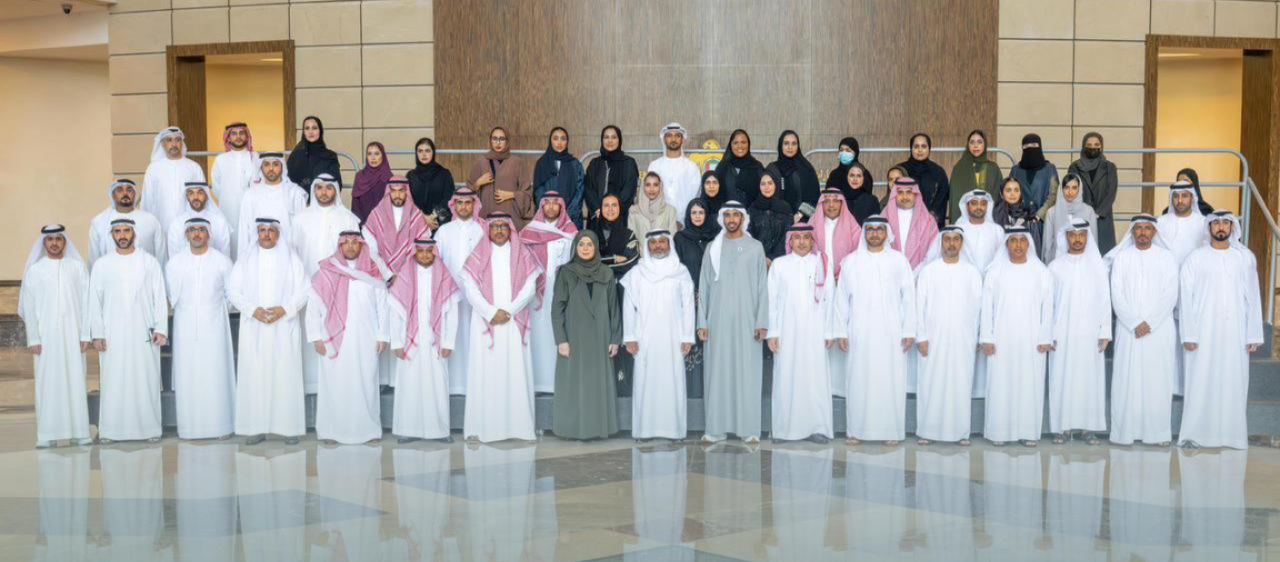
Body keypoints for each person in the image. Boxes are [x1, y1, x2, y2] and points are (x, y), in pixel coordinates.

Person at [1179, 212, 1263, 450]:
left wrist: (1254, 334)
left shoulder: (1245, 258)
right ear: (1209, 228)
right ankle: (1195, 434)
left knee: (1233, 382)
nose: (1221, 227)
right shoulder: (1195, 258)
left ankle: (1232, 437)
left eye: (1226, 222)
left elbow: (1253, 297)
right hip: (1202, 332)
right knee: (1200, 380)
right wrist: (1189, 333)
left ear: (1233, 227)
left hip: (1236, 331)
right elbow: (1185, 298)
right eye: (1216, 223)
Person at [459, 212, 543, 443]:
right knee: (487, 374)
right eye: (495, 227)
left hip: (514, 322)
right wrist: (490, 312)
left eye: (503, 227)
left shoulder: (522, 254)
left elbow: (530, 288)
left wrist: (509, 311)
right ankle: (486, 428)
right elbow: (470, 289)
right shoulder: (477, 255)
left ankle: (519, 428)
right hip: (486, 324)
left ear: (510, 230)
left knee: (515, 372)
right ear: (488, 229)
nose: (498, 231)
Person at [832, 216, 916, 445]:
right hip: (860, 331)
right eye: (870, 229)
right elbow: (841, 300)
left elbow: (909, 298)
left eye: (880, 229)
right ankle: (857, 431)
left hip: (892, 333)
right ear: (865, 233)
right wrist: (841, 332)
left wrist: (909, 330)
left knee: (890, 381)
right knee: (859, 380)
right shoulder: (851, 262)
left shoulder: (899, 261)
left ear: (886, 233)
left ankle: (891, 432)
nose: (875, 234)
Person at [86, 218, 168, 443]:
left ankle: (150, 430)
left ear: (134, 233)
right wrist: (97, 334)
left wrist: (161, 328)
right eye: (118, 232)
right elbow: (94, 302)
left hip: (144, 332)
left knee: (145, 380)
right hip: (112, 335)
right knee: (114, 381)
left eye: (126, 231)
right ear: (112, 235)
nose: (122, 236)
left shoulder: (149, 262)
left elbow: (160, 297)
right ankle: (111, 432)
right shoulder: (102, 265)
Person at [228, 218, 309, 445]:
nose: (266, 234)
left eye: (270, 230)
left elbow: (305, 289)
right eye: (262, 230)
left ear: (278, 234)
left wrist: (285, 309)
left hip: (284, 326)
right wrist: (253, 310)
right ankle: (255, 428)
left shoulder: (292, 259)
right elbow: (233, 290)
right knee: (254, 376)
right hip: (254, 326)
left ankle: (289, 428)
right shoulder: (245, 260)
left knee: (285, 375)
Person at [307, 232, 390, 445]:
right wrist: (316, 336)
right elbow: (313, 306)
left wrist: (383, 336)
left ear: (361, 246)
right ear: (339, 246)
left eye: (355, 243)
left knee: (366, 382)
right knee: (334, 383)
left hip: (366, 337)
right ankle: (331, 432)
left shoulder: (373, 272)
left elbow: (383, 307)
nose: (351, 247)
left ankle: (368, 431)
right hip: (333, 339)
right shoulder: (326, 272)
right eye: (346, 243)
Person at [697, 201, 769, 444]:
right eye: (727, 215)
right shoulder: (712, 248)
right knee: (717, 374)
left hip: (748, 322)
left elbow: (763, 286)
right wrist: (702, 322)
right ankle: (715, 429)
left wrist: (762, 321)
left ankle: (748, 429)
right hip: (716, 321)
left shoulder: (755, 247)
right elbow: (703, 286)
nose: (731, 219)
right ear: (721, 219)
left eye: (735, 215)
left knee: (747, 374)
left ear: (743, 218)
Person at [1107, 214, 1179, 447]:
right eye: (1138, 229)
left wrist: (1150, 322)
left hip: (1159, 330)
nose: (1143, 233)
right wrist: (1134, 322)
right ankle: (1124, 433)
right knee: (1126, 381)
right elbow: (1116, 293)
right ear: (1132, 232)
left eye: (1147, 228)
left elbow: (1171, 294)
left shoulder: (1166, 258)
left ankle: (1157, 434)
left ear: (1154, 232)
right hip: (1129, 330)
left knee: (1157, 381)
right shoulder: (1122, 258)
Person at [980, 225, 1054, 447]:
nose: (1018, 245)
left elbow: (1048, 307)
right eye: (1014, 240)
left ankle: (1027, 432)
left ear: (1028, 243)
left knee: (1029, 385)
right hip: (1001, 339)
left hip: (1032, 340)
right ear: (1007, 244)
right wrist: (986, 338)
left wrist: (1045, 337)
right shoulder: (994, 272)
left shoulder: (1041, 272)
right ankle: (999, 432)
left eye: (1022, 240)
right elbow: (987, 308)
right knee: (1000, 385)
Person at [19, 225, 91, 448]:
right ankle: (47, 434)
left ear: (65, 242)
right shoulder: (35, 271)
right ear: (44, 243)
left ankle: (80, 432)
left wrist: (85, 334)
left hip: (74, 335)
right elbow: (29, 307)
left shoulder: (78, 268)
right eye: (50, 240)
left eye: (58, 239)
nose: (54, 243)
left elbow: (87, 303)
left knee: (76, 381)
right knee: (47, 383)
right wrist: (33, 338)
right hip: (45, 338)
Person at [166, 217, 235, 440]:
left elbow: (232, 296)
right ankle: (189, 429)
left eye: (201, 230)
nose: (197, 234)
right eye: (192, 230)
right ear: (186, 235)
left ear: (209, 234)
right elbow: (171, 297)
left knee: (215, 375)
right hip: (185, 329)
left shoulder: (223, 262)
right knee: (188, 377)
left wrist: (213, 312)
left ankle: (221, 427)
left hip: (215, 329)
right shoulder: (174, 263)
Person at [622, 230, 695, 441]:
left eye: (663, 242)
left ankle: (674, 431)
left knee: (672, 382)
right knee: (645, 382)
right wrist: (630, 336)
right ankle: (644, 431)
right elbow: (628, 306)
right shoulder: (637, 272)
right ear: (647, 246)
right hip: (644, 336)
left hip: (674, 337)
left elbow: (688, 306)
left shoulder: (681, 271)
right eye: (653, 243)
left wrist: (687, 337)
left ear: (669, 244)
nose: (658, 246)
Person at [291, 174, 360, 393]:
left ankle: (335, 387)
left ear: (336, 191)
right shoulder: (300, 219)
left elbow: (355, 254)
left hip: (339, 287)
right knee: (310, 332)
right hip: (307, 285)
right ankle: (310, 385)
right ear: (314, 190)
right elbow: (293, 255)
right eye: (319, 187)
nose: (324, 192)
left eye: (329, 188)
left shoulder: (348, 219)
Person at [550, 231, 622, 440]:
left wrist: (615, 339)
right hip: (574, 338)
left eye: (590, 244)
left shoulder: (606, 273)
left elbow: (614, 308)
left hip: (601, 337)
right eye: (581, 244)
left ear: (596, 247)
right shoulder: (566, 272)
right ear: (575, 247)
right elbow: (557, 309)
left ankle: (598, 428)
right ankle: (571, 429)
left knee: (596, 384)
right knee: (574, 384)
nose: (585, 248)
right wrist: (561, 340)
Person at [914, 227, 982, 446]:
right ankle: (927, 431)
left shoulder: (972, 272)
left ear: (961, 243)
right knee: (930, 383)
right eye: (947, 240)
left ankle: (960, 433)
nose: (951, 244)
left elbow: (978, 308)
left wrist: (977, 336)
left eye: (955, 240)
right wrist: (921, 337)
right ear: (941, 243)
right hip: (932, 339)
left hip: (964, 339)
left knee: (960, 384)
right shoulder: (928, 272)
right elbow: (919, 306)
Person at [1046, 219, 1111, 445]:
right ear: (1066, 237)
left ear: (1087, 237)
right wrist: (1049, 333)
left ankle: (1088, 429)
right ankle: (1061, 428)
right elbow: (1048, 304)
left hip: (1090, 333)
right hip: (1061, 333)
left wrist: (1105, 331)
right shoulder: (1055, 267)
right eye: (1073, 235)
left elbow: (1105, 300)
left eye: (1082, 235)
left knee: (1089, 381)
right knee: (1060, 379)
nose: (1077, 239)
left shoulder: (1098, 266)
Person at [767, 224, 833, 443]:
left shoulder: (822, 263)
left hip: (816, 331)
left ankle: (818, 428)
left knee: (815, 379)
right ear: (790, 241)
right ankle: (784, 430)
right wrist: (773, 332)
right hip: (787, 332)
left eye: (806, 237)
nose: (802, 242)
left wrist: (829, 331)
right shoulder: (779, 265)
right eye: (797, 237)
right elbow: (772, 300)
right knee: (786, 376)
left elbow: (830, 299)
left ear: (813, 240)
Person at [389, 239, 460, 443]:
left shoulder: (444, 276)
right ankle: (407, 430)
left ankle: (440, 431)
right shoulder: (404, 277)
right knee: (409, 385)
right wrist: (397, 342)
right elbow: (395, 312)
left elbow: (452, 312)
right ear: (414, 253)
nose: (425, 255)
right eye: (420, 251)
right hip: (409, 341)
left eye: (429, 251)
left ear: (434, 253)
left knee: (437, 385)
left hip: (436, 340)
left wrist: (448, 342)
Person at [520, 192, 578, 394]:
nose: (551, 207)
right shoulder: (529, 232)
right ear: (542, 206)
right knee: (538, 337)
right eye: (548, 203)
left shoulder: (571, 233)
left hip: (563, 294)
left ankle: (560, 384)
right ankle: (538, 384)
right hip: (535, 297)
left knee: (560, 335)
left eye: (555, 203)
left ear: (561, 207)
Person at [807, 188, 860, 398]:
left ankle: (841, 386)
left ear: (841, 204)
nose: (831, 205)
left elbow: (858, 253)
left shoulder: (852, 226)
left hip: (844, 283)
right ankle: (820, 384)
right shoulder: (812, 224)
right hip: (818, 286)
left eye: (835, 201)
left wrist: (842, 275)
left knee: (842, 331)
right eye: (827, 201)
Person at [434, 188, 486, 395]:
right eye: (460, 203)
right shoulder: (444, 231)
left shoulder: (483, 229)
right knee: (452, 335)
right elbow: (436, 263)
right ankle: (455, 386)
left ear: (474, 205)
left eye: (468, 203)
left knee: (476, 338)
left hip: (479, 297)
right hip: (449, 296)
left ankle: (476, 385)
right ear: (454, 205)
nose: (464, 207)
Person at [673, 198, 718, 398]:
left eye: (701, 212)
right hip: (688, 300)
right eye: (694, 213)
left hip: (713, 299)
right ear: (688, 215)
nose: (698, 216)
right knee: (690, 343)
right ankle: (691, 394)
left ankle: (711, 393)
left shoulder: (716, 238)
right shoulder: (680, 238)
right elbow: (676, 268)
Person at [237, 152, 307, 255]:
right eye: (266, 164)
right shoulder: (250, 194)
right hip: (258, 255)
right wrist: (243, 258)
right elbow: (244, 230)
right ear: (260, 168)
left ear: (282, 167)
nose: (271, 168)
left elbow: (301, 230)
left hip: (288, 255)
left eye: (275, 164)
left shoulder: (294, 193)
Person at [141, 126, 206, 232]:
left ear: (182, 143)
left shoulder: (194, 167)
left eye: (177, 140)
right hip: (161, 224)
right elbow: (147, 200)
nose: (174, 144)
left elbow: (203, 197)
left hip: (189, 226)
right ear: (162, 144)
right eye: (169, 140)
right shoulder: (153, 169)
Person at [469, 126, 534, 228]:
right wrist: (478, 183)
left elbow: (527, 193)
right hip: (486, 217)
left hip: (511, 217)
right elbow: (467, 193)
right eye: (494, 139)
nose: (498, 143)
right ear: (490, 140)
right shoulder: (481, 162)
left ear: (507, 141)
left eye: (502, 139)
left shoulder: (517, 163)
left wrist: (512, 194)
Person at [89, 179, 164, 266]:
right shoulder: (99, 222)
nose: (125, 193)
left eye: (129, 190)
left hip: (143, 272)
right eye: (119, 190)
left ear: (135, 194)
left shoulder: (150, 220)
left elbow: (161, 255)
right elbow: (94, 258)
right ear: (112, 195)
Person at [211, 122, 258, 257]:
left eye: (241, 133)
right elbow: (216, 186)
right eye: (234, 134)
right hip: (228, 210)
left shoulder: (255, 158)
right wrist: (229, 199)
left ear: (247, 136)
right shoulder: (221, 160)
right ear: (228, 137)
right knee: (229, 243)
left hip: (251, 209)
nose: (238, 137)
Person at [1067, 132, 1118, 253]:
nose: (1093, 148)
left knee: (1103, 254)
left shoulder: (1109, 167)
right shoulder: (1074, 167)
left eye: (1096, 145)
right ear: (1083, 146)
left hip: (1103, 218)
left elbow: (1111, 191)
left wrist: (1099, 212)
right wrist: (1085, 211)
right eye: (1089, 145)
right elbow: (1072, 190)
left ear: (1101, 146)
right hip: (1082, 217)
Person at [647, 123, 702, 223]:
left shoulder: (692, 167)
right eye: (669, 136)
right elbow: (650, 196)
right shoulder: (654, 166)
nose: (673, 139)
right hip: (659, 221)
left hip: (686, 222)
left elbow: (695, 197)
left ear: (683, 140)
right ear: (664, 139)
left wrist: (682, 220)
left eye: (677, 136)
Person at [532, 127, 585, 228]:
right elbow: (538, 192)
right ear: (550, 141)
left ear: (567, 142)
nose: (559, 142)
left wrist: (566, 214)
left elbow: (579, 192)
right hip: (547, 218)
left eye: (563, 139)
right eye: (556, 138)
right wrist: (550, 212)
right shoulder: (542, 163)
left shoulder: (575, 164)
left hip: (570, 218)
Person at [584, 125, 639, 220]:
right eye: (606, 137)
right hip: (597, 217)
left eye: (614, 137)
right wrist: (597, 209)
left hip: (620, 216)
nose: (610, 141)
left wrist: (614, 210)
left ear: (619, 140)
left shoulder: (628, 163)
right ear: (602, 140)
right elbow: (588, 189)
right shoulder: (594, 163)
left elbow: (629, 190)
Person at [883, 177, 940, 270]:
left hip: (921, 273)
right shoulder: (884, 218)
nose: (904, 197)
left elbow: (934, 251)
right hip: (891, 272)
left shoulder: (928, 221)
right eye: (900, 192)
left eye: (909, 192)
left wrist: (917, 273)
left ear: (915, 195)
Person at [1040, 173, 1098, 262]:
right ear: (1061, 189)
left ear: (1080, 189)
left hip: (1083, 263)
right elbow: (1047, 245)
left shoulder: (1088, 211)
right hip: (1058, 262)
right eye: (1066, 188)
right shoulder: (1052, 213)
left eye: (1074, 188)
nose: (1070, 192)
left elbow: (1093, 242)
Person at [948, 130, 1003, 222]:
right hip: (964, 221)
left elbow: (998, 197)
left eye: (979, 142)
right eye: (972, 142)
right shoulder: (959, 168)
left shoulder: (993, 168)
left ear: (985, 145)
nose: (975, 146)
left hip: (989, 221)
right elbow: (955, 199)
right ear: (968, 145)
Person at [166, 182, 232, 260]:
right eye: (191, 193)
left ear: (207, 195)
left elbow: (225, 257)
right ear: (187, 197)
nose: (196, 197)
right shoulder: (176, 224)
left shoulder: (220, 223)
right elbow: (174, 259)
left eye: (200, 193)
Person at [896, 133, 949, 227]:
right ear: (911, 149)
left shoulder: (938, 172)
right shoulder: (901, 170)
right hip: (905, 224)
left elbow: (941, 200)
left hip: (930, 225)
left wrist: (928, 219)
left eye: (923, 146)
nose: (920, 150)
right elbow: (894, 196)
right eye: (916, 146)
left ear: (929, 149)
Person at [768, 130, 821, 222]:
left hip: (803, 222)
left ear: (798, 146)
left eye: (794, 143)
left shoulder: (806, 168)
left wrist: (799, 215)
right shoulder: (772, 169)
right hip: (777, 222)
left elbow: (814, 197)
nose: (790, 147)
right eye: (786, 143)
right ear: (780, 146)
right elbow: (766, 195)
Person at [406, 137, 456, 232]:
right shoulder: (411, 176)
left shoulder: (444, 174)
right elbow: (408, 200)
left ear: (433, 153)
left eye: (427, 151)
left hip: (438, 223)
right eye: (420, 151)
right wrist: (423, 217)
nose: (424, 154)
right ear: (416, 154)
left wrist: (432, 217)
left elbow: (449, 198)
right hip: (416, 223)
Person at [287, 115, 342, 198]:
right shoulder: (296, 154)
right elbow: (289, 182)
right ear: (303, 132)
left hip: (324, 200)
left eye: (314, 128)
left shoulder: (330, 156)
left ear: (320, 131)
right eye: (307, 128)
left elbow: (337, 184)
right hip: (299, 202)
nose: (310, 132)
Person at [1008, 133, 1061, 218]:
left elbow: (1053, 195)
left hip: (1044, 221)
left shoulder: (1050, 169)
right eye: (1026, 146)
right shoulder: (1015, 171)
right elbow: (1010, 194)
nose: (1030, 148)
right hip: (1020, 220)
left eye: (1033, 145)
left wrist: (1039, 215)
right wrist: (1020, 215)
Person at [952, 189, 1004, 272]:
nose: (979, 207)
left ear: (987, 206)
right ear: (967, 206)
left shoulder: (997, 230)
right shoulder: (958, 230)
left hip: (990, 276)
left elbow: (1002, 257)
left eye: (983, 203)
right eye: (974, 203)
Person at [589, 194, 641, 277]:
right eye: (606, 205)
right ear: (600, 209)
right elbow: (587, 261)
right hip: (595, 280)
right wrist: (615, 259)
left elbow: (632, 262)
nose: (610, 209)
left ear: (620, 208)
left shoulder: (628, 235)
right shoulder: (591, 233)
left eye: (614, 205)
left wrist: (602, 262)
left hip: (621, 281)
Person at [747, 168, 793, 261]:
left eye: (770, 183)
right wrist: (762, 257)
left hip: (780, 260)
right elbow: (749, 235)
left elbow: (788, 235)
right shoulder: (753, 208)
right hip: (757, 259)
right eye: (763, 184)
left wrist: (773, 258)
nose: (767, 187)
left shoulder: (785, 208)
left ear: (776, 184)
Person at [1157, 181, 1208, 264]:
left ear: (1192, 198)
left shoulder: (1203, 223)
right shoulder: (1160, 222)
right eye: (1176, 196)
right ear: (1171, 199)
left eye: (1184, 196)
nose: (1180, 200)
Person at [713, 129, 765, 205]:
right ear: (730, 145)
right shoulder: (723, 167)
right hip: (727, 211)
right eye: (735, 143)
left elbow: (764, 192)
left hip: (752, 212)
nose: (739, 146)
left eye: (743, 142)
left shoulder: (757, 167)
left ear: (748, 144)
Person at [992, 177, 1043, 252]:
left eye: (1016, 190)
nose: (1012, 194)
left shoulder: (1029, 218)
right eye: (1008, 190)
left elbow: (1036, 249)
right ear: (1002, 193)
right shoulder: (993, 216)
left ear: (1020, 193)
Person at [352, 141, 393, 224]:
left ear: (383, 156)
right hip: (363, 224)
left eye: (376, 154)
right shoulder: (360, 176)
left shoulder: (389, 177)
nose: (373, 158)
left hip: (384, 225)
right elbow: (355, 204)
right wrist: (361, 225)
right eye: (369, 154)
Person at [628, 172, 679, 236]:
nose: (651, 189)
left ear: (660, 187)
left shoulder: (670, 211)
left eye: (655, 185)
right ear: (643, 187)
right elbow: (632, 238)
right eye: (648, 185)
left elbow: (672, 238)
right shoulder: (633, 210)